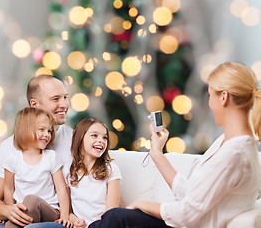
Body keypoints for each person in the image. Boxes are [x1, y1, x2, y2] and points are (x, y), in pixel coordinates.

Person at [88, 61, 261, 228]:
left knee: (116, 217)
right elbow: (194, 195)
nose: (209, 103)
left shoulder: (235, 154)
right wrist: (156, 153)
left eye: (210, 95)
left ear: (223, 97)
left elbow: (186, 213)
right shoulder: (229, 144)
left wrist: (142, 204)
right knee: (115, 216)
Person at [0, 75, 72, 228]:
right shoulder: (8, 148)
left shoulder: (76, 140)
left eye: (65, 97)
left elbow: (103, 178)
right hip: (23, 217)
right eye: (56, 99)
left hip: (54, 218)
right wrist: (8, 210)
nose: (64, 104)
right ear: (34, 104)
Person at [3, 107, 70, 228]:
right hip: (24, 211)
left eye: (49, 131)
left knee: (31, 200)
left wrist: (64, 217)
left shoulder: (51, 157)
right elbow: (8, 189)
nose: (47, 134)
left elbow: (61, 189)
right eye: (42, 130)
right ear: (25, 130)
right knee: (25, 206)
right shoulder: (12, 158)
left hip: (50, 211)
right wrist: (10, 212)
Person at [65, 117, 121, 228]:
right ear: (80, 139)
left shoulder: (111, 170)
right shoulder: (69, 171)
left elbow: (111, 213)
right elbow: (67, 211)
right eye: (94, 135)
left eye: (105, 138)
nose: (101, 140)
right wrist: (76, 220)